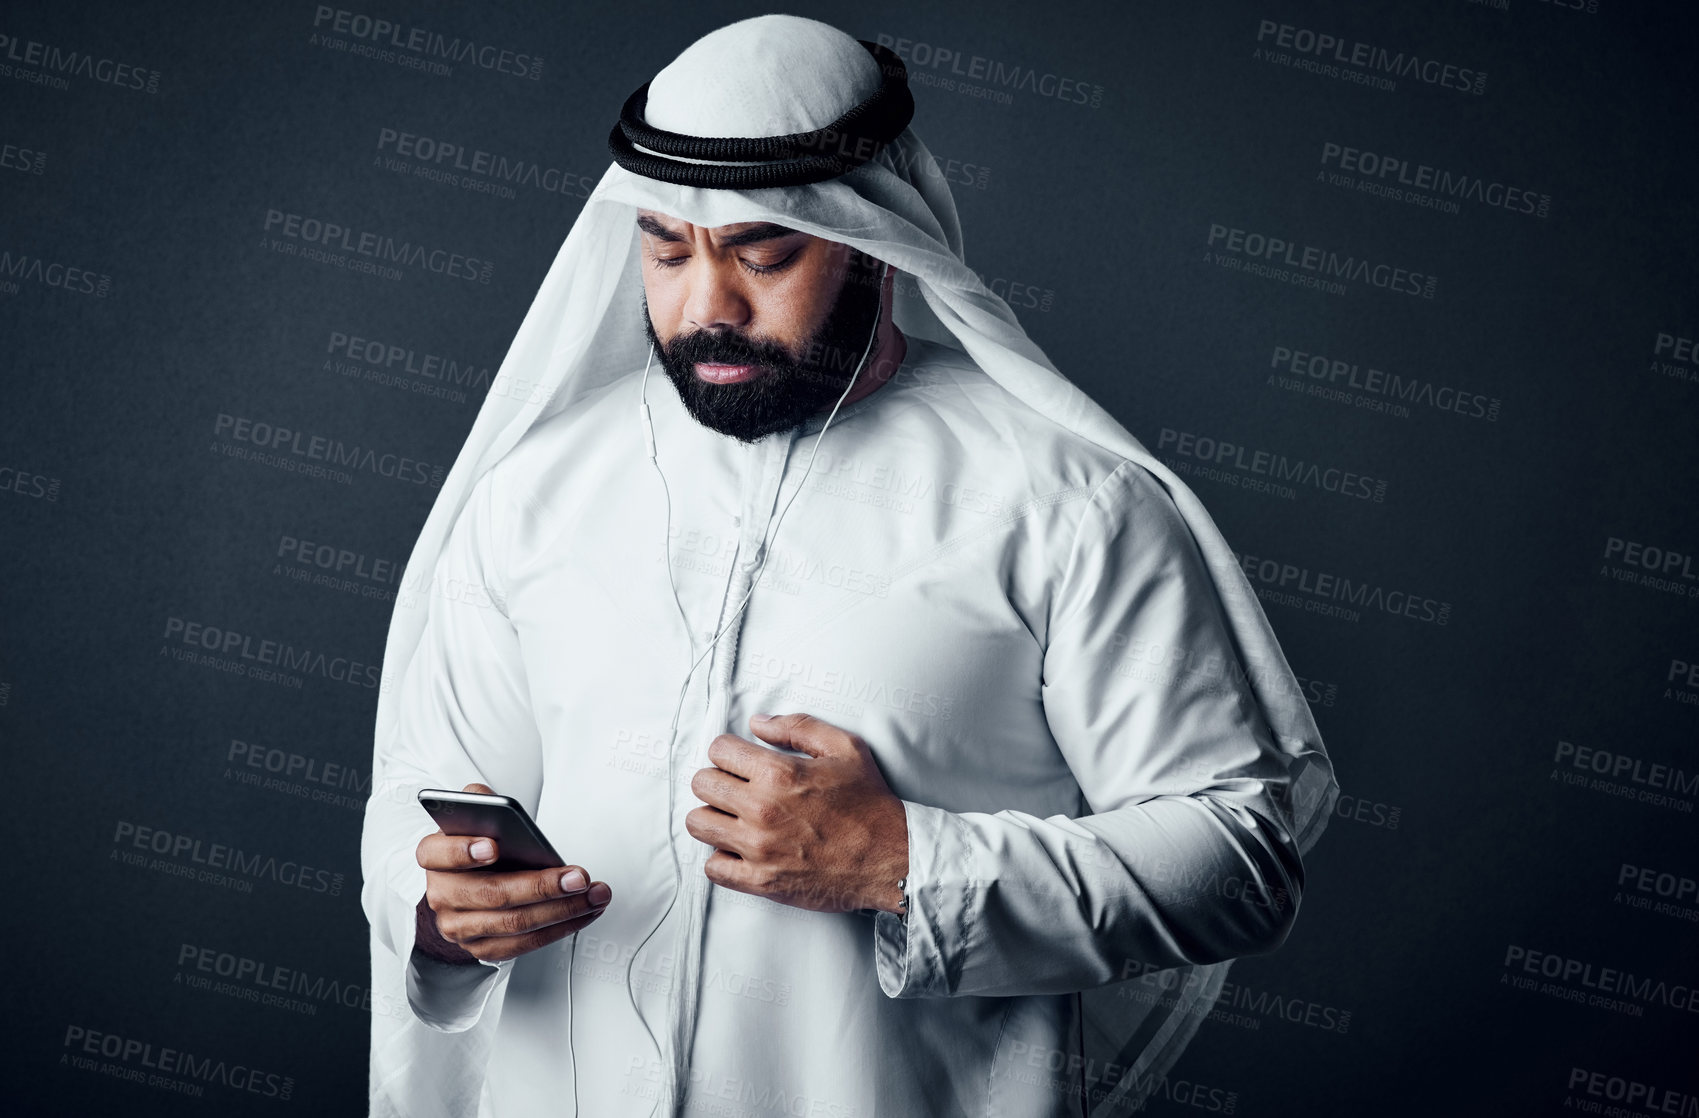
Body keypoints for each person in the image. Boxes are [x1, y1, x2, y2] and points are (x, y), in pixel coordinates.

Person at [359, 15, 1337, 1118]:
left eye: (763, 252)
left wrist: (905, 858)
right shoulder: (534, 493)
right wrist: (439, 900)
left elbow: (1238, 859)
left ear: (875, 237)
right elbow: (420, 797)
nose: (704, 307)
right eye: (666, 247)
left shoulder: (1065, 502)